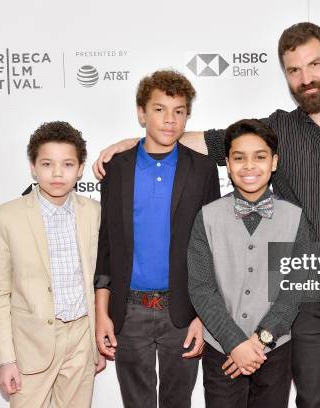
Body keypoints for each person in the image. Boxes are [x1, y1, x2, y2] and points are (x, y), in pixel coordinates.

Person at [93, 22, 320, 408]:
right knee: (314, 400)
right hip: (310, 295)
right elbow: (214, 141)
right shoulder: (278, 128)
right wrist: (142, 140)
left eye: (314, 65)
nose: (306, 78)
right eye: (294, 70)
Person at [93, 69, 221, 408]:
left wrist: (202, 316)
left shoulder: (204, 169)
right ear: (141, 113)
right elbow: (106, 245)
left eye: (179, 111)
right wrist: (102, 312)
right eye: (160, 109)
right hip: (128, 310)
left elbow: (210, 247)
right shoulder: (116, 168)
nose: (170, 120)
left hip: (183, 312)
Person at [188, 119, 311, 407]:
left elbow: (293, 290)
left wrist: (258, 342)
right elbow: (201, 288)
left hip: (275, 351)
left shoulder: (294, 218)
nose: (249, 166)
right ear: (228, 164)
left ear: (274, 162)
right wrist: (235, 343)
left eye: (260, 157)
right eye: (239, 158)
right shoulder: (207, 216)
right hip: (222, 351)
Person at [0, 121, 105, 408]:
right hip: (29, 345)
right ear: (33, 167)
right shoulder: (7, 216)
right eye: (47, 164)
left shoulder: (94, 212)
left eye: (67, 164)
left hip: (81, 339)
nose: (57, 173)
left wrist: (94, 345)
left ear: (80, 168)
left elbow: (99, 279)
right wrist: (5, 359)